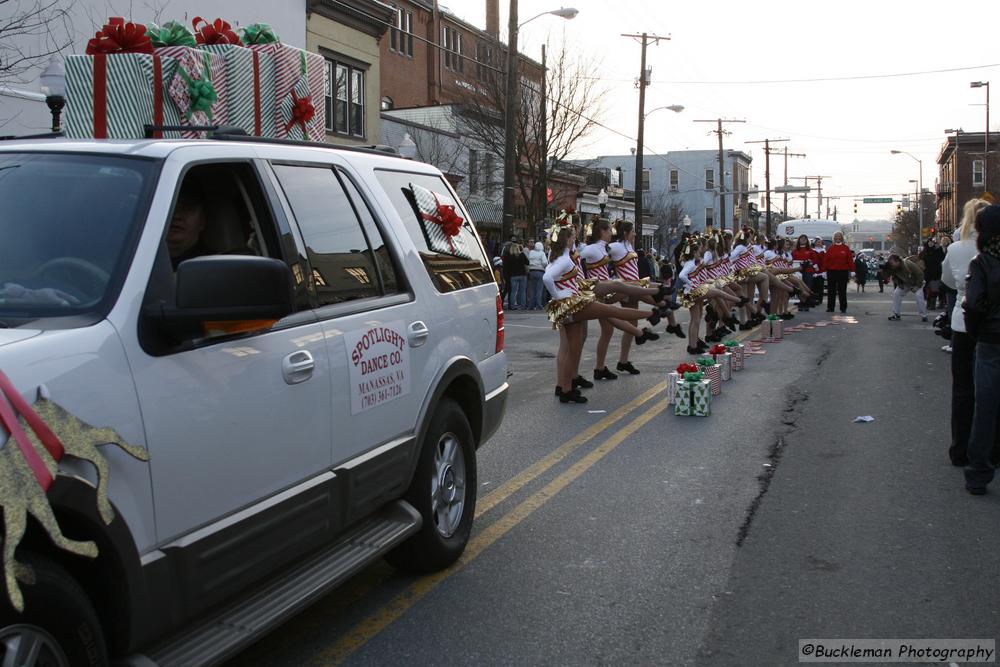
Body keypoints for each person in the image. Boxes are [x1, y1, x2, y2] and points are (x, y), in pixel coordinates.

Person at [942, 198, 993, 467]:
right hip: (990, 325)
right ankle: (990, 449)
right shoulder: (992, 249)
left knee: (962, 390)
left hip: (962, 323)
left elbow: (947, 281)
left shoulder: (955, 248)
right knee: (990, 389)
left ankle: (959, 449)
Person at [961, 204, 1000, 494]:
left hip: (991, 341)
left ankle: (978, 473)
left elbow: (974, 304)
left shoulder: (983, 261)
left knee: (985, 408)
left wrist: (978, 329)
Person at [168, 183, 211, 269]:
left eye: (187, 208)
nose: (177, 216)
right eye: (170, 207)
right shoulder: (138, 257)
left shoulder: (211, 265)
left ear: (202, 220)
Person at [884, 254, 928, 321]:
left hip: (917, 282)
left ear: (897, 261)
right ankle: (896, 314)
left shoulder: (908, 264)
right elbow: (894, 277)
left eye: (892, 264)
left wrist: (917, 286)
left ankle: (924, 316)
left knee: (919, 296)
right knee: (897, 293)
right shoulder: (894, 268)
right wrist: (899, 284)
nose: (891, 266)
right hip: (906, 283)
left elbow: (920, 274)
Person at [823, 231, 853, 313]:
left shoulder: (846, 248)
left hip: (843, 272)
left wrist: (852, 270)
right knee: (831, 291)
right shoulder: (830, 248)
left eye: (839, 236)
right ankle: (830, 308)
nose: (837, 238)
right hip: (831, 272)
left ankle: (843, 308)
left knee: (842, 291)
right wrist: (824, 271)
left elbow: (850, 260)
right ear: (834, 238)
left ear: (842, 238)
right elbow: (826, 260)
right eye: (836, 236)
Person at [919, 237, 945, 310]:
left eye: (932, 242)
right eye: (929, 242)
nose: (931, 243)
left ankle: (932, 304)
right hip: (926, 273)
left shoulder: (938, 250)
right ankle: (928, 302)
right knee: (927, 288)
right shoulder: (924, 251)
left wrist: (939, 249)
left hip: (936, 272)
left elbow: (943, 258)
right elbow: (920, 260)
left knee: (934, 288)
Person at [526, 241, 547, 309]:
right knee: (539, 289)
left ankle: (531, 305)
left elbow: (528, 260)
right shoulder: (542, 253)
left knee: (532, 289)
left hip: (532, 271)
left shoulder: (531, 252)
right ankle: (538, 305)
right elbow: (544, 262)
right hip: (540, 271)